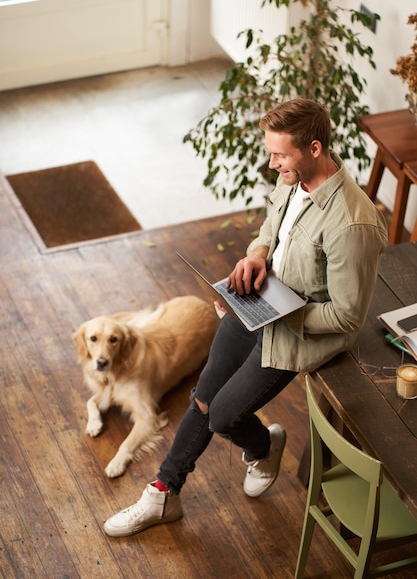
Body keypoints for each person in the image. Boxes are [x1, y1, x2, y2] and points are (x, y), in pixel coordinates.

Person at [103, 98, 388, 537]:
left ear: (314, 148)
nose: (272, 164)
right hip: (259, 301)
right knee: (203, 396)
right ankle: (162, 494)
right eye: (271, 153)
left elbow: (348, 316)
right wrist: (256, 255)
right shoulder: (296, 179)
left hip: (296, 332)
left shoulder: (352, 224)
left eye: (280, 154)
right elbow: (273, 228)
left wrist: (280, 316)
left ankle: (264, 444)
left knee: (221, 416)